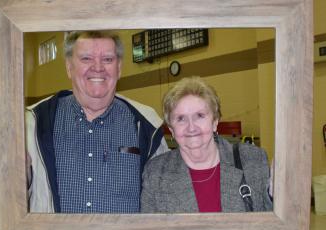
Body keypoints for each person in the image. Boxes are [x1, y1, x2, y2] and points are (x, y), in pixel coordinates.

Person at [26, 31, 168, 213]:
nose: (98, 67)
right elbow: (6, 197)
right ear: (69, 67)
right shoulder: (33, 123)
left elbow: (164, 197)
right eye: (86, 58)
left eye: (108, 59)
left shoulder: (147, 125)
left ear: (119, 68)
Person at [141, 76, 273, 213]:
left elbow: (276, 222)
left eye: (200, 116)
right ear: (171, 129)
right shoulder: (155, 173)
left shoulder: (253, 160)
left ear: (215, 121)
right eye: (181, 119)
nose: (191, 127)